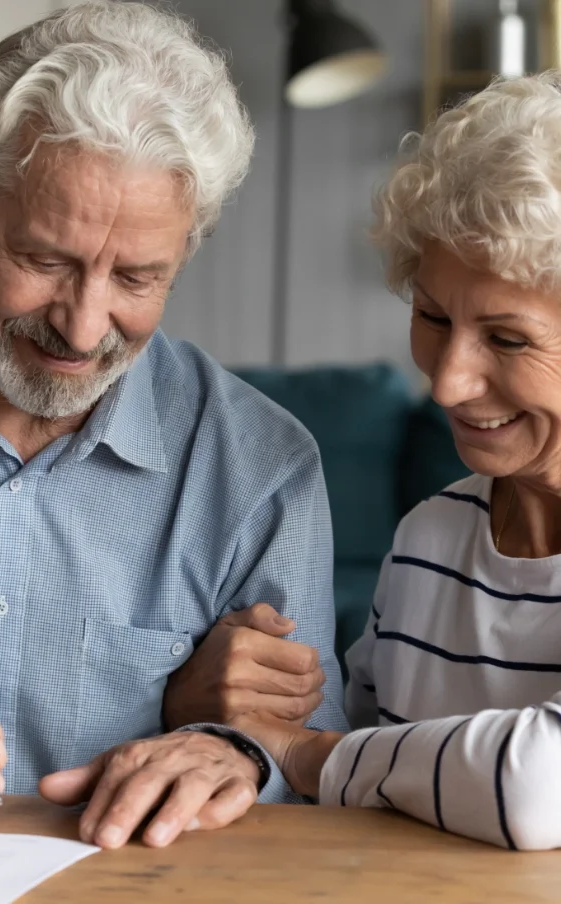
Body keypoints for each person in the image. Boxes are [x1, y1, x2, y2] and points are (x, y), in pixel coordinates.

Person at [0, 0, 345, 849]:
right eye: (44, 261)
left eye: (136, 278)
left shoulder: (263, 470)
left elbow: (311, 757)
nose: (84, 329)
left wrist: (234, 751)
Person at [219, 71, 561, 851]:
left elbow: (539, 790)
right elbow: (360, 773)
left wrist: (308, 753)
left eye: (507, 338)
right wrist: (236, 692)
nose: (447, 381)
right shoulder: (430, 538)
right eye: (433, 317)